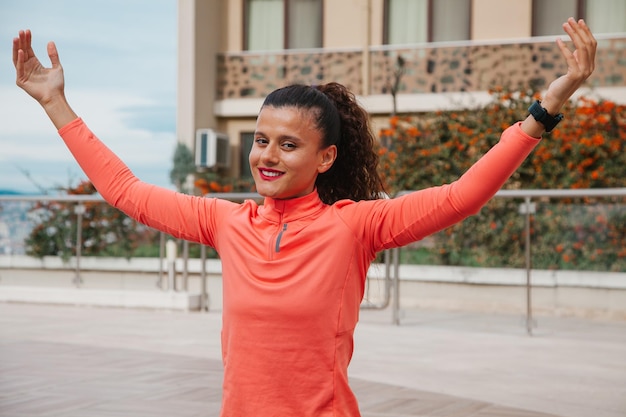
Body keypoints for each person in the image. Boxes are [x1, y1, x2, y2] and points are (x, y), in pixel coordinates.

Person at [13, 18, 596, 417]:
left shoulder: (354, 226)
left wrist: (545, 109)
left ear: (326, 158)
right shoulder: (227, 223)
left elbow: (460, 196)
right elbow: (125, 191)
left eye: (288, 145)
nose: (266, 155)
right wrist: (55, 103)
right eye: (261, 139)